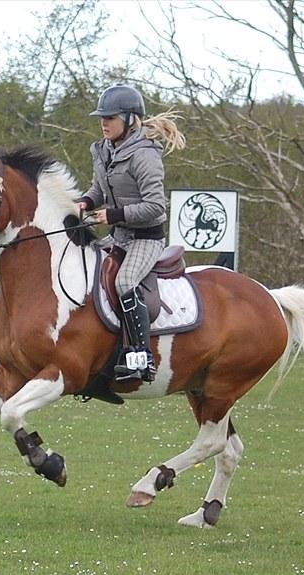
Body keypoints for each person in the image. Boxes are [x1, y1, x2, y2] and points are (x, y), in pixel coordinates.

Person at [77, 84, 185, 382]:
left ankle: (141, 356)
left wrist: (113, 215)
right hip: (119, 236)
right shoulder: (103, 150)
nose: (103, 123)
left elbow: (155, 206)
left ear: (128, 119)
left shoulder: (145, 154)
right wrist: (85, 202)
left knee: (125, 281)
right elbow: (99, 189)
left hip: (146, 239)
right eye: (102, 117)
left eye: (110, 118)